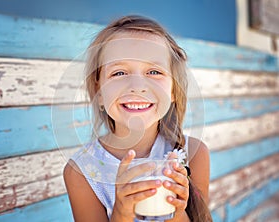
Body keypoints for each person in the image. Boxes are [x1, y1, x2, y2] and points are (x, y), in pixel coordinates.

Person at [63, 15, 212, 222]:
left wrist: (177, 211)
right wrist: (121, 213)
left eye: (153, 71)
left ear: (172, 91)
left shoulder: (193, 154)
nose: (137, 86)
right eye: (119, 72)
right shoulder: (81, 171)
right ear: (98, 92)